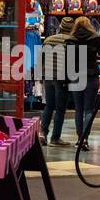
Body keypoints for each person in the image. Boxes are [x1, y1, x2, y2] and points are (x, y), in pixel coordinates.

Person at [68, 16, 100, 149]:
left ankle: (79, 138)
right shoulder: (95, 38)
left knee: (78, 109)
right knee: (89, 109)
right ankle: (85, 139)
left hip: (76, 76)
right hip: (91, 75)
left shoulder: (70, 39)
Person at [39, 17, 75, 146]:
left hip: (48, 76)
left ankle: (42, 133)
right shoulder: (71, 41)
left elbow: (41, 58)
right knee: (60, 109)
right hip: (62, 78)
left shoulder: (49, 39)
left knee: (49, 106)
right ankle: (55, 138)